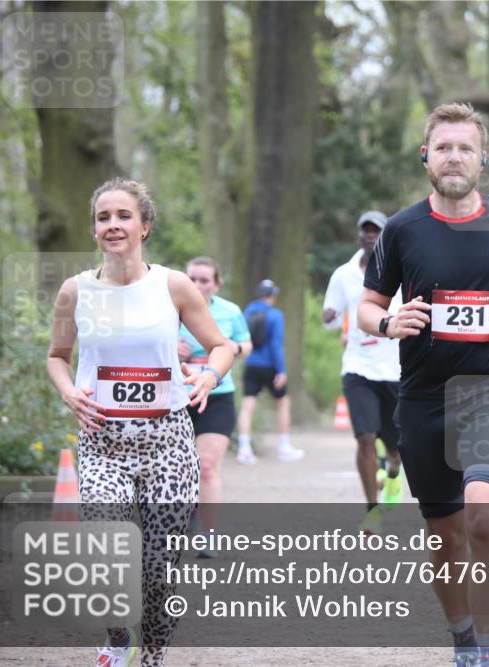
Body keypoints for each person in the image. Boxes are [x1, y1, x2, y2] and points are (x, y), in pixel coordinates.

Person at [358, 103, 489, 667]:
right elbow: (369, 305)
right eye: (443, 147)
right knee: (445, 536)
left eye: (465, 148)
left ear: (482, 158)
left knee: (485, 519)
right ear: (426, 156)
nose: (454, 157)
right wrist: (387, 322)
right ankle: (464, 639)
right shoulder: (402, 230)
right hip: (424, 398)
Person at [46, 177, 234, 667]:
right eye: (103, 217)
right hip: (103, 443)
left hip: (167, 444)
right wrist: (69, 391)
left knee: (158, 572)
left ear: (144, 226)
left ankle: (152, 657)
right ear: (94, 229)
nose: (113, 225)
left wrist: (209, 375)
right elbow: (57, 356)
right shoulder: (75, 291)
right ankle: (117, 638)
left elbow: (222, 345)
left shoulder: (173, 285)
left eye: (123, 216)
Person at [322, 210, 405, 534]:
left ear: (386, 235)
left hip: (396, 369)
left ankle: (394, 470)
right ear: (359, 235)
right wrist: (330, 315)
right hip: (358, 367)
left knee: (396, 445)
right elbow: (330, 321)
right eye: (365, 231)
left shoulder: (401, 268)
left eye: (376, 231)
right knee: (365, 438)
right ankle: (372, 510)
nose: (370, 236)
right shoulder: (343, 274)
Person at [177, 257, 252, 557]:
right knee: (180, 469)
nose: (197, 285)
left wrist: (232, 348)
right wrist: (171, 348)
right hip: (176, 397)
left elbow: (247, 345)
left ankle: (208, 536)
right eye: (192, 279)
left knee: (207, 465)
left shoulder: (230, 311)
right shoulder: (169, 309)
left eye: (204, 280)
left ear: (216, 284)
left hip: (217, 395)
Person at [236, 279, 304, 462]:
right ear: (271, 296)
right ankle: (284, 447)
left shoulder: (247, 312)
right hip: (270, 366)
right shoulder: (276, 315)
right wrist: (281, 370)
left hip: (251, 364)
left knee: (247, 405)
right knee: (283, 403)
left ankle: (244, 448)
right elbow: (275, 344)